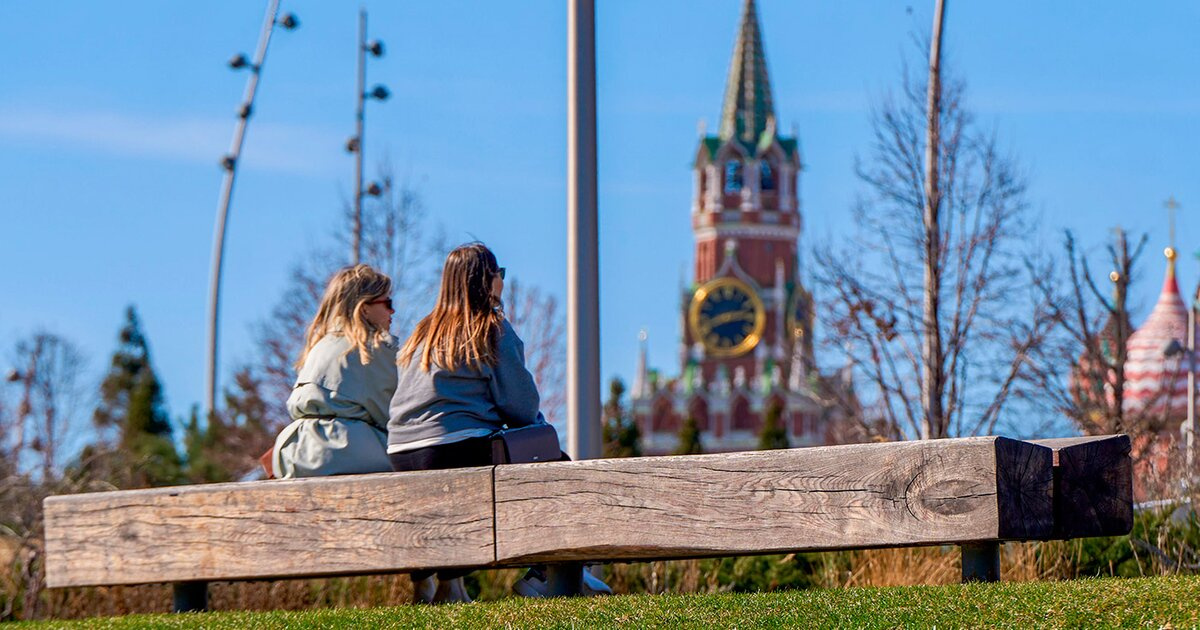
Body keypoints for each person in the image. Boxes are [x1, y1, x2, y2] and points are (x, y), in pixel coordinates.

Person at [388, 242, 610, 603]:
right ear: (488, 280)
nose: (502, 282)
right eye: (499, 274)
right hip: (454, 447)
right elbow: (521, 407)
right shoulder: (489, 328)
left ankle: (448, 587)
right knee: (556, 463)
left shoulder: (421, 334)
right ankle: (546, 574)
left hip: (401, 451)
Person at [271, 264, 397, 479]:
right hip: (348, 451)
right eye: (387, 303)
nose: (392, 311)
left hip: (295, 452)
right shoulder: (371, 348)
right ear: (364, 308)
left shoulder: (318, 347)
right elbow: (394, 417)